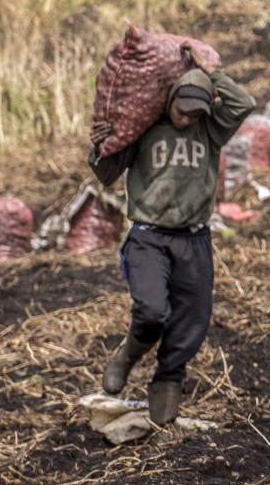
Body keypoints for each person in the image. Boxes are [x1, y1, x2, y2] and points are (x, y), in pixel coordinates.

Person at [88, 50, 254, 426]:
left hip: (194, 239)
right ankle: (127, 356)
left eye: (195, 112)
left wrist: (211, 72)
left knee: (193, 320)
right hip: (149, 237)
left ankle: (168, 381)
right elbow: (106, 173)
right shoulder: (145, 128)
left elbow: (244, 103)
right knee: (151, 311)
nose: (187, 118)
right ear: (169, 99)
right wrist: (99, 146)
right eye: (182, 110)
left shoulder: (210, 130)